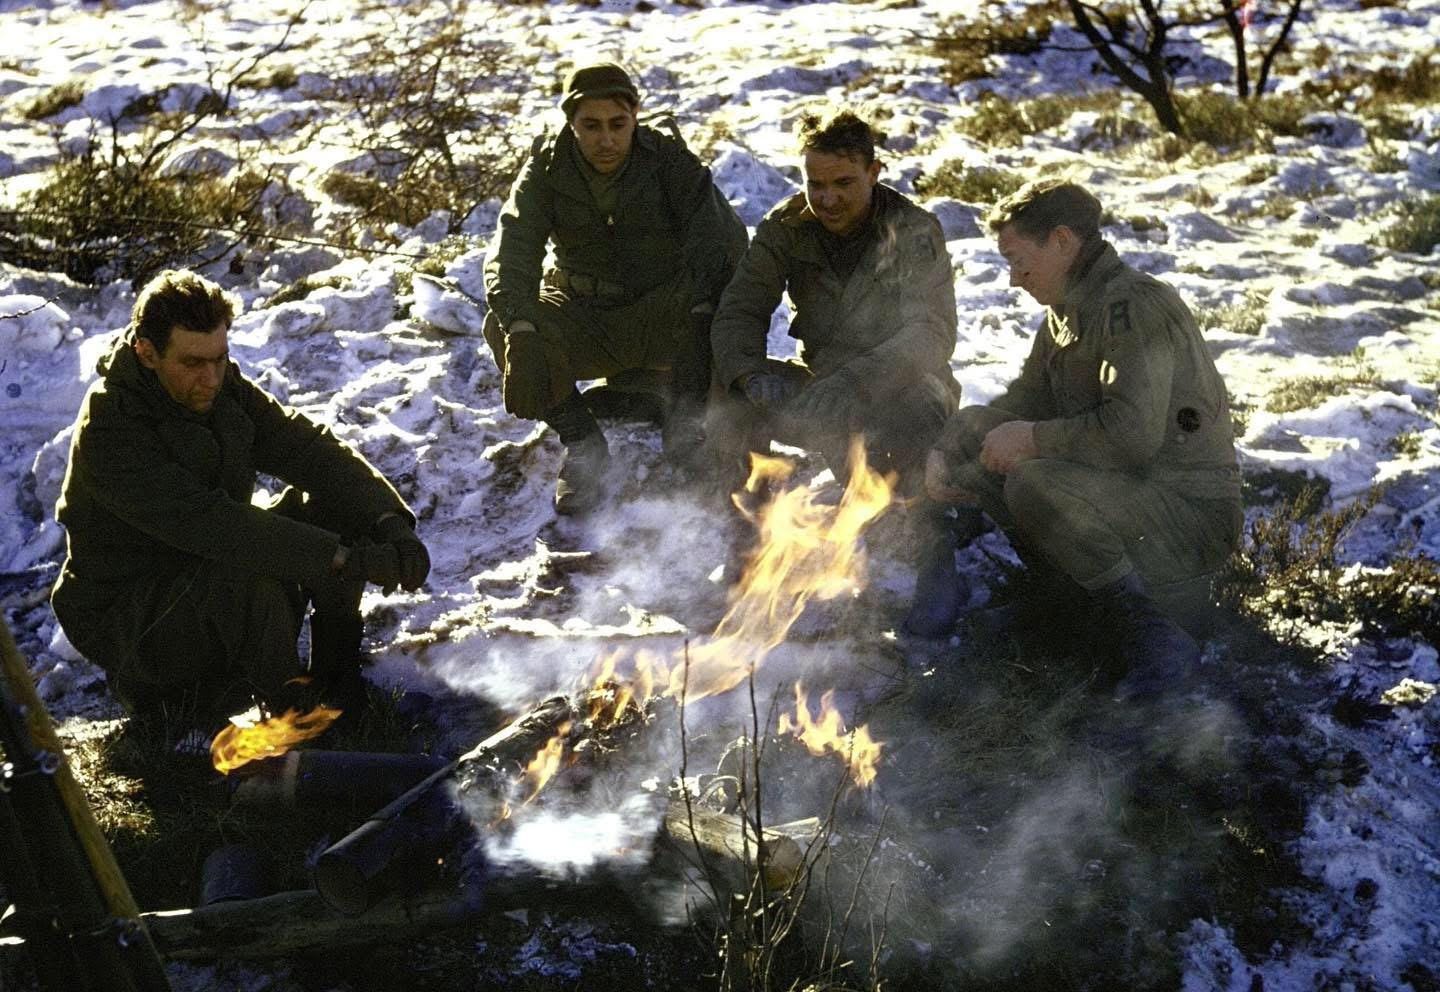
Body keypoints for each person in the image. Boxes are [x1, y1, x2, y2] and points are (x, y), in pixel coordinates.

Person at [50, 269, 429, 726]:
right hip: (131, 617)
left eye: (220, 359)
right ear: (146, 353)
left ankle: (338, 687)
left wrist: (389, 521)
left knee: (334, 511)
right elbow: (213, 525)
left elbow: (303, 447)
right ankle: (292, 724)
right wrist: (345, 560)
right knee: (248, 576)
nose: (211, 377)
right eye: (193, 363)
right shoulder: (111, 426)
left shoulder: (218, 386)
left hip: (201, 577)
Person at [924, 178, 1243, 700]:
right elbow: (1024, 399)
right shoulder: (1066, 313)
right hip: (1135, 501)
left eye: (1019, 260)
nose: (1012, 279)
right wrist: (951, 443)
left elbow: (1131, 436)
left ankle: (1155, 635)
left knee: (1032, 480)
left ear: (1064, 241)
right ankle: (1073, 605)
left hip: (1190, 516)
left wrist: (1029, 438)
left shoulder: (1132, 305)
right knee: (985, 448)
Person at [708, 107, 962, 631]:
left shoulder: (912, 230)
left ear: (874, 173)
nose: (826, 198)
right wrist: (752, 376)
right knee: (732, 402)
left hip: (903, 385)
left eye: (844, 183)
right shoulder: (787, 226)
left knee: (917, 427)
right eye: (815, 184)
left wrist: (856, 380)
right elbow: (740, 309)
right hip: (825, 388)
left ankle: (937, 560)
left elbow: (930, 334)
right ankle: (750, 545)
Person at [482, 61, 749, 514]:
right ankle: (583, 443)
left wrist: (706, 313)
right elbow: (513, 250)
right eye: (591, 125)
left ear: (635, 118)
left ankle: (686, 425)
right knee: (503, 327)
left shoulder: (667, 160)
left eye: (617, 124)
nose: (606, 139)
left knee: (722, 311)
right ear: (571, 122)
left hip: (667, 316)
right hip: (588, 314)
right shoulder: (546, 167)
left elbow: (721, 242)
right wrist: (522, 327)